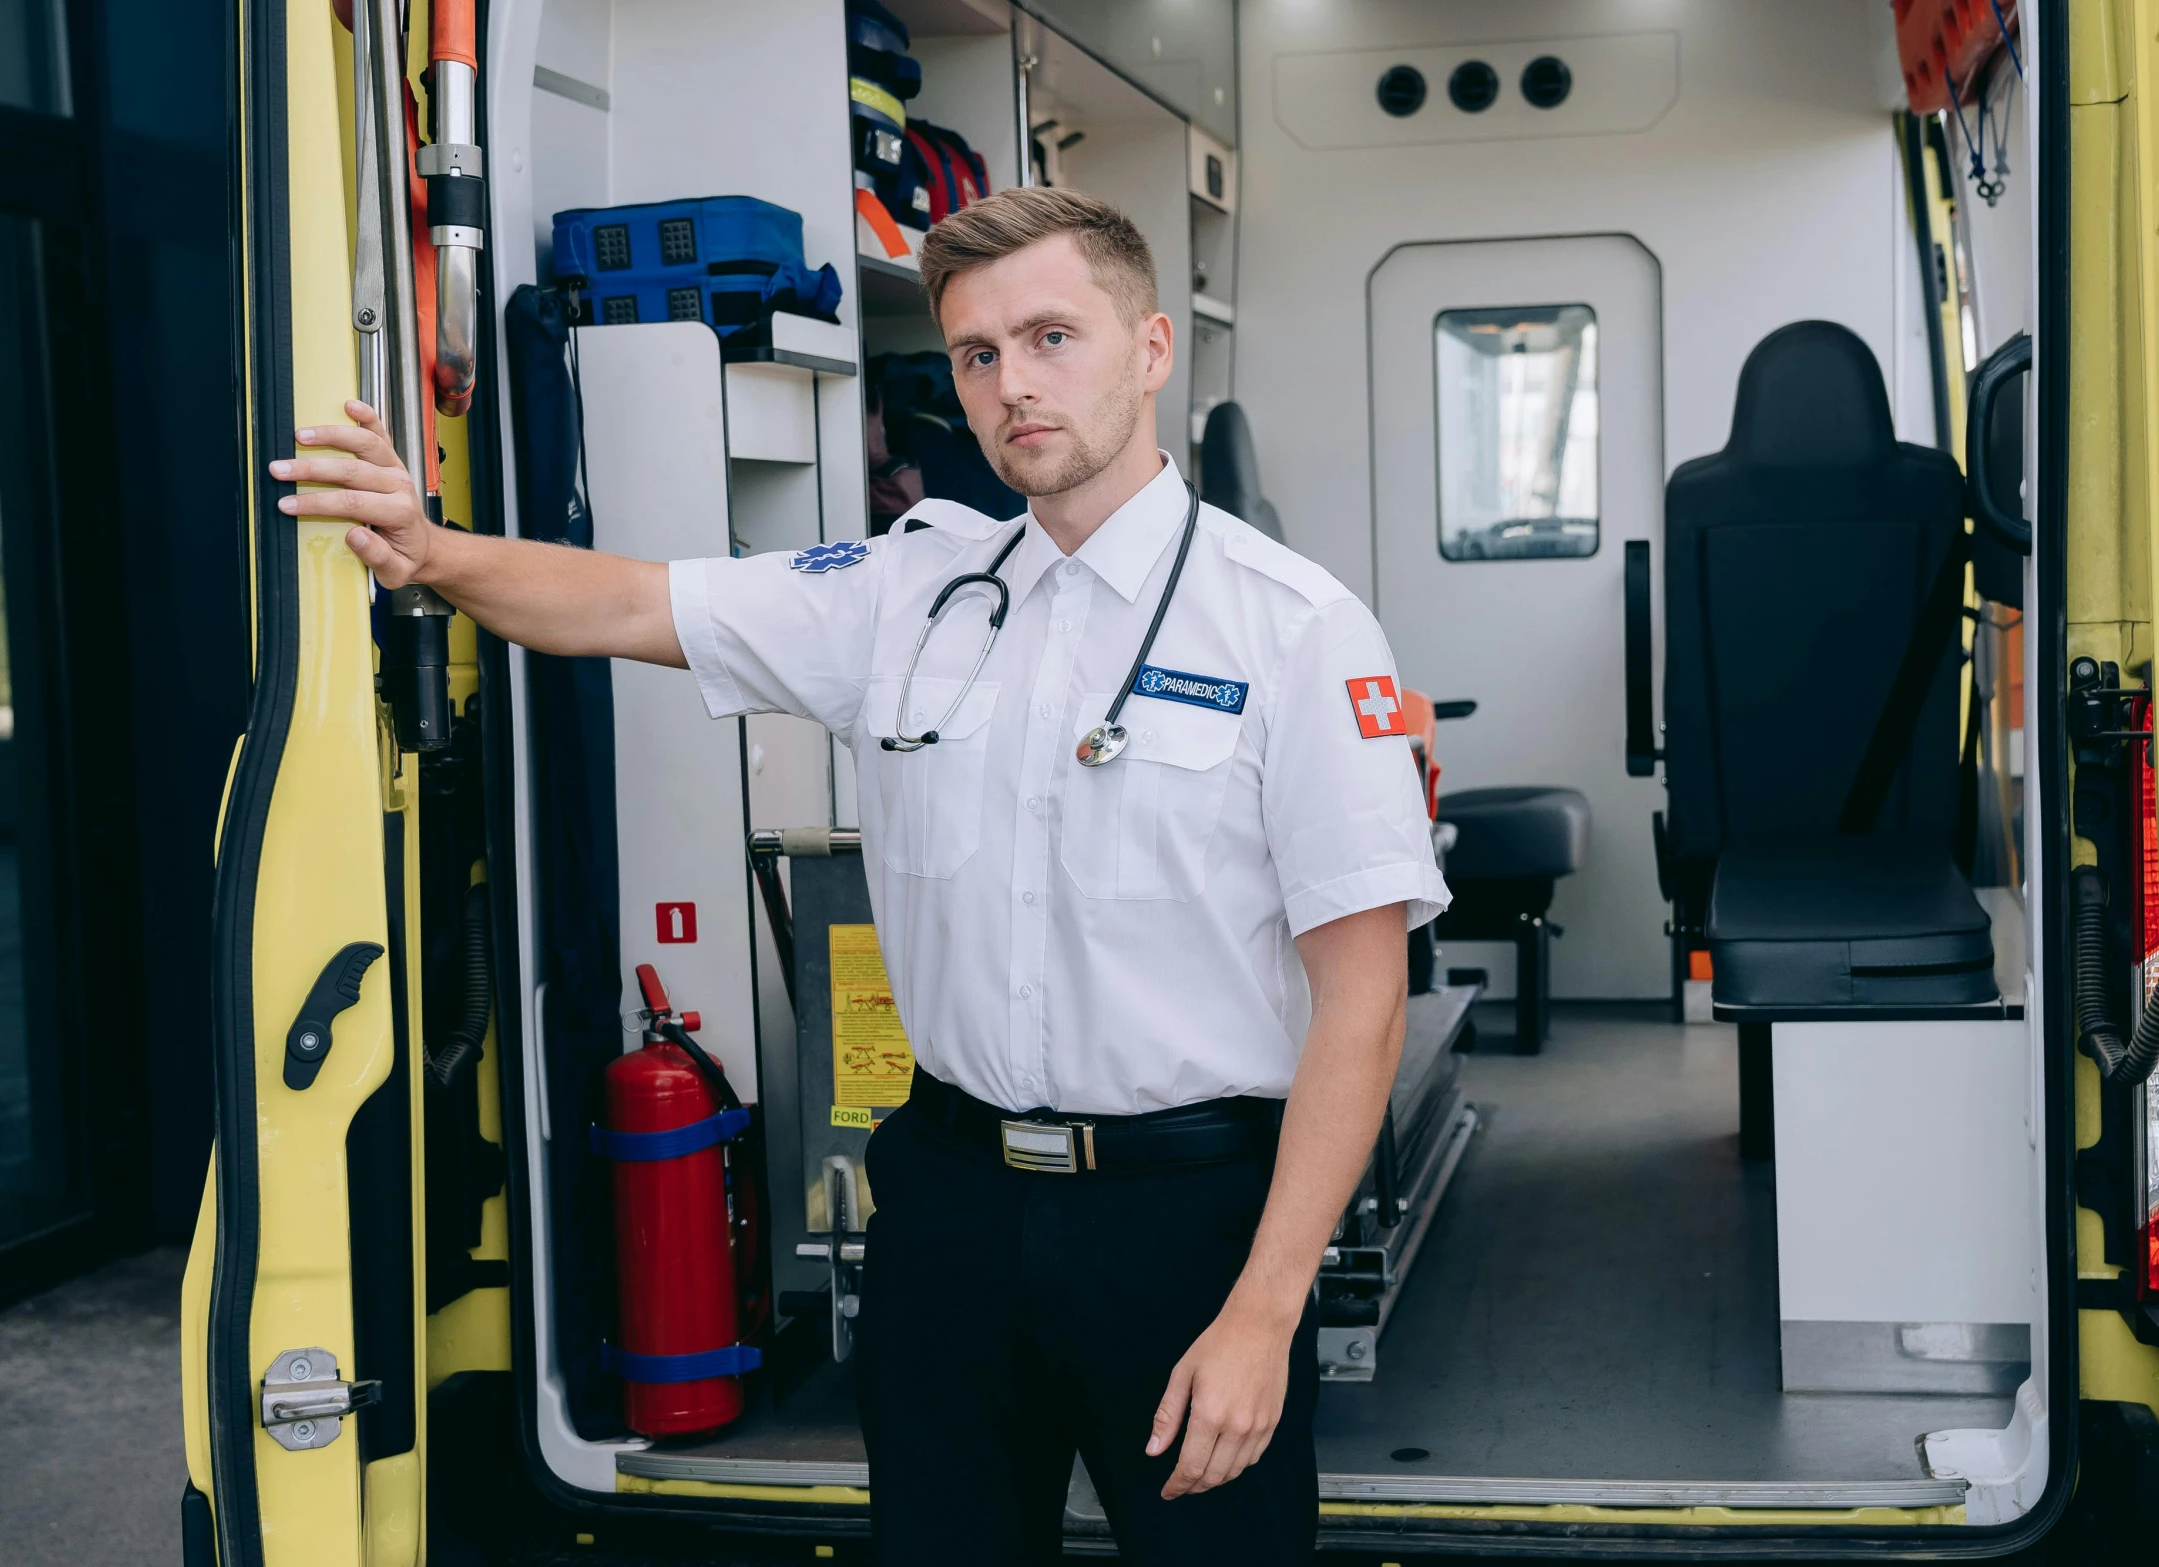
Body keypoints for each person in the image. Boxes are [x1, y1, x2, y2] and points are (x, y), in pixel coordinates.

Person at [270, 185, 1448, 1564]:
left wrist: (1265, 1307)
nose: (1013, 385)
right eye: (976, 354)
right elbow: (632, 601)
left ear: (1148, 349)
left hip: (1182, 1221)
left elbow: (1359, 1008)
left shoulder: (1295, 629)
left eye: (1052, 337)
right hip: (949, 1202)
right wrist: (428, 553)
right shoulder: (908, 590)